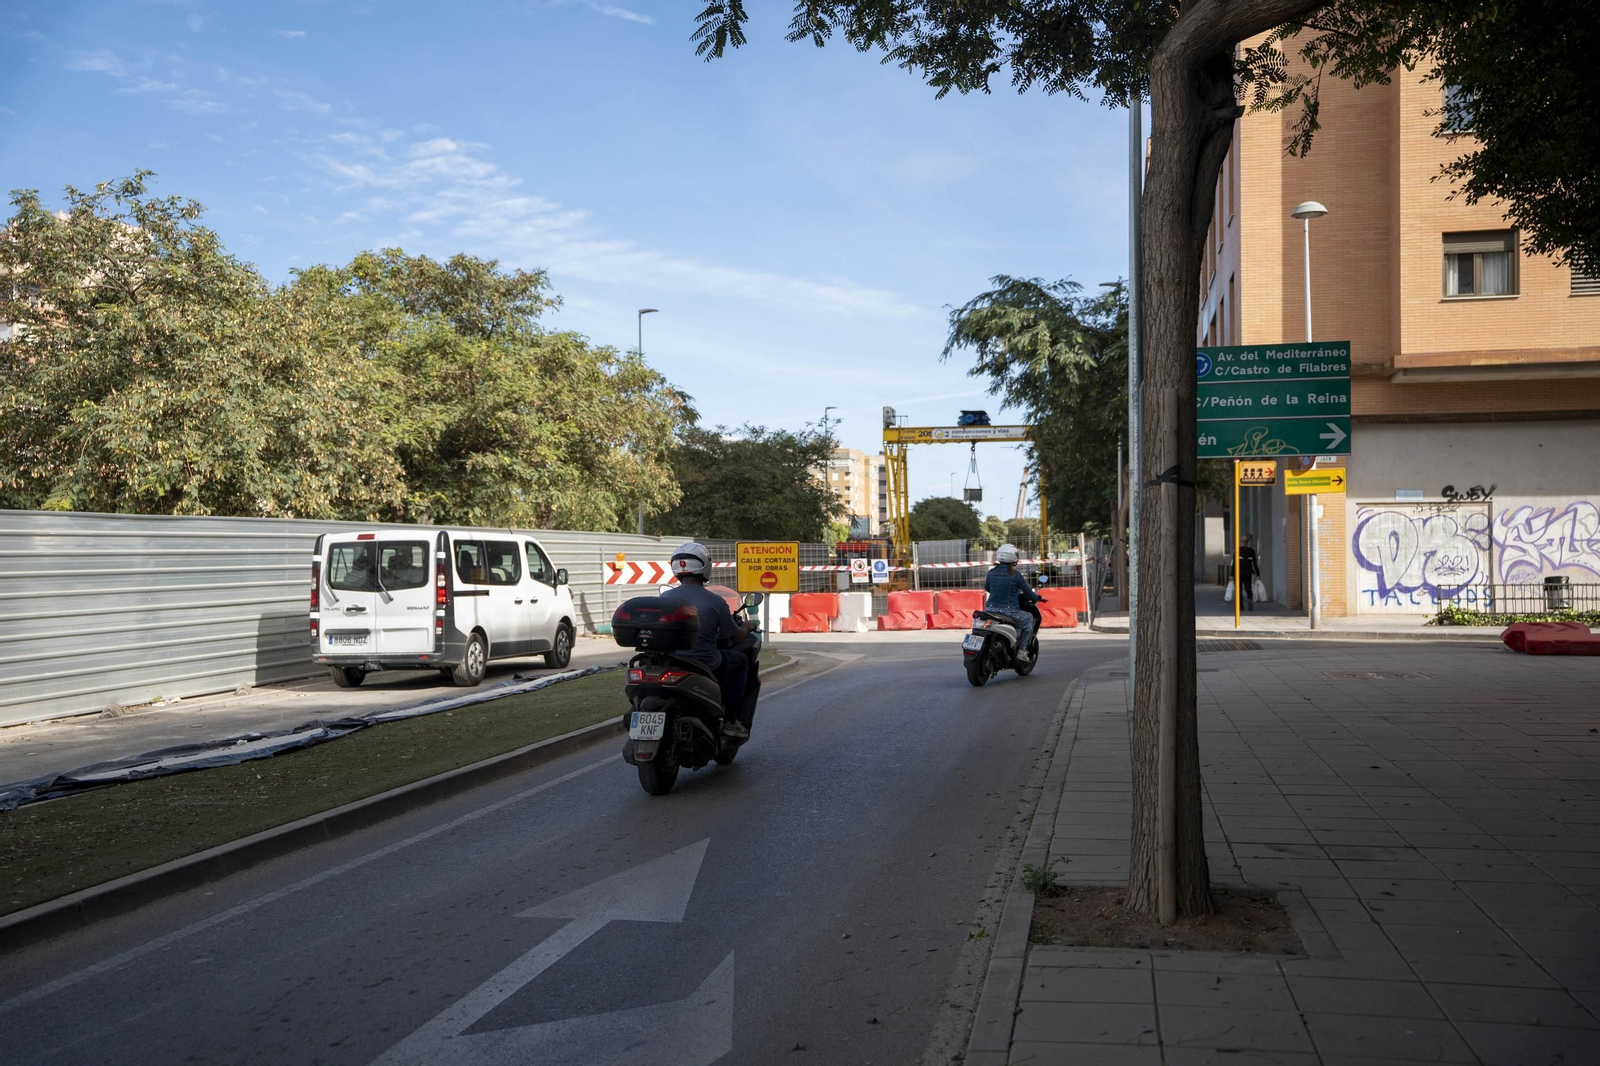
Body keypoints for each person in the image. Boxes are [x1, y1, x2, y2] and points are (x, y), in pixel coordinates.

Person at [659, 542, 759, 738]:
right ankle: (731, 720)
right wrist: (747, 626)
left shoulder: (664, 597)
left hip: (670, 663)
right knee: (740, 662)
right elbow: (733, 635)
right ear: (704, 566)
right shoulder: (715, 601)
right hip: (705, 664)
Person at [983, 543, 1042, 661]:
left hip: (990, 610)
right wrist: (1037, 598)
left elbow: (987, 588)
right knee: (1029, 619)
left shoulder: (991, 572)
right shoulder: (1015, 575)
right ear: (1013, 557)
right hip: (1009, 612)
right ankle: (1022, 651)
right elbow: (1028, 593)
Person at [1239, 534, 1261, 612]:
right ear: (1247, 542)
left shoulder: (1237, 551)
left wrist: (1231, 574)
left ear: (1241, 542)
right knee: (1248, 588)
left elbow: (1234, 564)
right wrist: (1257, 574)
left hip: (1239, 572)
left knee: (1239, 589)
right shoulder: (1251, 551)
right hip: (1248, 572)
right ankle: (1249, 600)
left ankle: (1240, 605)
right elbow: (1255, 563)